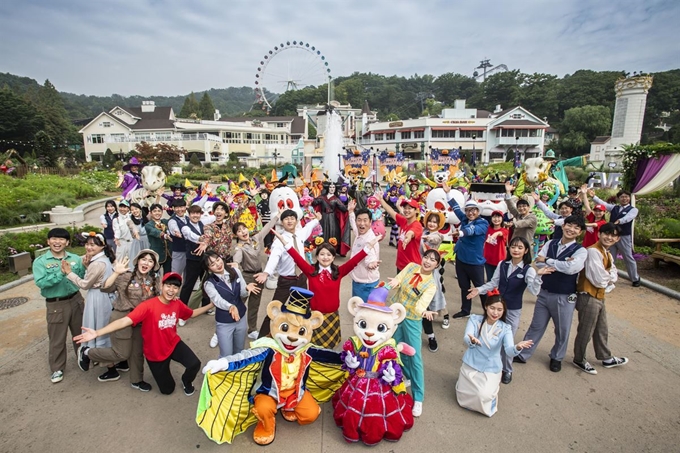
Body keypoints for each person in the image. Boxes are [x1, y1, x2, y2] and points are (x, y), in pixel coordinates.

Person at [75, 272, 214, 396]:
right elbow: (124, 321)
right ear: (161, 286)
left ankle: (186, 381)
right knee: (167, 390)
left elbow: (191, 313)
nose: (171, 290)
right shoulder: (148, 306)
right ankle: (87, 352)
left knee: (194, 364)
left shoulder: (177, 304)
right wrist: (97, 332)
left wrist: (211, 305)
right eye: (168, 286)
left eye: (175, 287)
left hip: (173, 343)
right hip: (155, 353)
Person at [271, 228, 379, 349]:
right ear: (317, 256)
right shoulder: (311, 271)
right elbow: (297, 257)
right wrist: (284, 242)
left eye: (329, 255)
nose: (325, 257)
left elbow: (354, 261)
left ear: (333, 257)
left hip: (332, 316)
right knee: (313, 347)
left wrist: (369, 246)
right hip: (314, 316)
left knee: (330, 348)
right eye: (322, 254)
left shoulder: (338, 272)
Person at [468, 237, 552, 384]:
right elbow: (494, 282)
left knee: (507, 342)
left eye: (520, 247)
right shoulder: (502, 264)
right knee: (489, 337)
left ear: (526, 250)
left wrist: (538, 277)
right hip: (497, 307)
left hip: (513, 310)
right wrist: (479, 290)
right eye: (513, 246)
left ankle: (507, 370)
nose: (516, 250)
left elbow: (533, 290)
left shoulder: (528, 269)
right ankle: (486, 364)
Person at [77, 250, 161, 392]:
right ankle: (87, 352)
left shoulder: (154, 280)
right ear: (138, 261)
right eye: (143, 259)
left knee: (137, 353)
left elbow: (158, 299)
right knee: (122, 354)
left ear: (154, 266)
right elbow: (105, 288)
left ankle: (137, 380)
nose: (146, 263)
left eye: (150, 261)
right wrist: (116, 273)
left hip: (140, 321)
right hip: (121, 318)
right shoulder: (125, 276)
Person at [515, 215, 587, 372]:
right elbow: (537, 261)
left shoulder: (581, 251)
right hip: (545, 292)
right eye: (569, 225)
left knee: (562, 329)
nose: (571, 229)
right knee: (536, 325)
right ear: (563, 226)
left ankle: (557, 357)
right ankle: (524, 353)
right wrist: (559, 263)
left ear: (580, 232)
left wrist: (548, 260)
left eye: (576, 227)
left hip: (564, 295)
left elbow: (572, 269)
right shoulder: (550, 243)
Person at [455, 294, 534, 417]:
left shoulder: (505, 328)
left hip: (490, 368)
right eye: (492, 308)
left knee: (482, 395)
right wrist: (472, 340)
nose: (495, 313)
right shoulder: (475, 319)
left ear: (504, 311)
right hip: (471, 362)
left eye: (499, 309)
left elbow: (509, 351)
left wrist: (517, 347)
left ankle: (492, 391)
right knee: (463, 393)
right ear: (486, 306)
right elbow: (467, 337)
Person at [387, 249, 441, 417]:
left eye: (432, 260)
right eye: (426, 257)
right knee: (395, 349)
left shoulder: (431, 285)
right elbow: (398, 279)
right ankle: (407, 376)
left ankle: (418, 398)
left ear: (437, 265)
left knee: (415, 357)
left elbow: (420, 306)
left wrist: (424, 312)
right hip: (396, 314)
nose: (427, 261)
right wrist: (390, 285)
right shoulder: (411, 266)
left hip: (412, 320)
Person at [572, 223, 629, 374]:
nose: (609, 237)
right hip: (588, 295)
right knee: (586, 330)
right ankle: (579, 359)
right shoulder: (593, 251)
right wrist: (609, 277)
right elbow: (597, 278)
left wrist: (609, 276)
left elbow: (613, 273)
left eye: (613, 235)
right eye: (606, 234)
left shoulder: (606, 253)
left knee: (601, 328)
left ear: (617, 239)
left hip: (599, 295)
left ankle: (605, 357)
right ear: (599, 234)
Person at [254, 209, 320, 338]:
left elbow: (309, 226)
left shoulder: (300, 234)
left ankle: (302, 336)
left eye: (292, 218)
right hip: (286, 281)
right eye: (286, 219)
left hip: (301, 278)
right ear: (282, 223)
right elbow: (274, 257)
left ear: (296, 221)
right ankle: (262, 339)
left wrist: (317, 219)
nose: (289, 220)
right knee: (275, 309)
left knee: (302, 309)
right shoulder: (279, 240)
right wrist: (266, 273)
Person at [32, 228, 86, 384]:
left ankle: (83, 359)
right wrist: (61, 273)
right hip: (56, 304)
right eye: (54, 239)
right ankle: (57, 368)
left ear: (67, 242)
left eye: (62, 239)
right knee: (57, 338)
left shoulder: (75, 258)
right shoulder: (41, 262)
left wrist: (86, 266)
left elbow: (81, 277)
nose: (57, 242)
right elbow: (41, 283)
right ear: (48, 241)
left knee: (80, 333)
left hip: (76, 300)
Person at [64, 233, 118, 382]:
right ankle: (120, 362)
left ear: (102, 246)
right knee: (108, 327)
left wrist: (69, 273)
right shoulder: (104, 259)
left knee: (98, 328)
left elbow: (85, 284)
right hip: (106, 297)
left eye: (93, 244)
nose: (89, 247)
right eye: (87, 244)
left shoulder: (97, 263)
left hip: (97, 298)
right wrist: (88, 266)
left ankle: (110, 367)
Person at [442, 183, 489, 319]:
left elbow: (472, 231)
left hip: (475, 262)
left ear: (478, 211)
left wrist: (461, 232)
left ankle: (488, 312)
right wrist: (448, 194)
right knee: (464, 286)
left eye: (473, 210)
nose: (470, 212)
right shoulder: (464, 218)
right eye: (468, 210)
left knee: (480, 288)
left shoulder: (482, 223)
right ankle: (465, 309)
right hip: (461, 259)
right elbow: (456, 208)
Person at [202, 252, 261, 358]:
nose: (218, 264)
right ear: (208, 269)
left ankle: (237, 373)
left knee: (239, 351)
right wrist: (230, 306)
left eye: (218, 259)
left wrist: (247, 289)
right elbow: (217, 300)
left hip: (241, 318)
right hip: (224, 322)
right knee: (226, 355)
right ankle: (225, 374)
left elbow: (242, 293)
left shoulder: (236, 271)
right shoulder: (209, 283)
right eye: (212, 264)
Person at [232, 212, 279, 340]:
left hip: (259, 276)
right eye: (239, 231)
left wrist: (276, 216)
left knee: (254, 304)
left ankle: (252, 329)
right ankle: (230, 326)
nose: (243, 232)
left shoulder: (256, 239)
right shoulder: (239, 248)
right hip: (246, 278)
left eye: (243, 229)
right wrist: (235, 264)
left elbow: (266, 227)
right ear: (236, 235)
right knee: (239, 303)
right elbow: (237, 258)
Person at [591, 189, 640, 286]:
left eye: (626, 197)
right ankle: (607, 277)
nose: (624, 199)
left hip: (624, 236)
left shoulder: (633, 209)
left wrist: (619, 221)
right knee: (610, 256)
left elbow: (629, 218)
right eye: (622, 197)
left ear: (629, 198)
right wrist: (593, 197)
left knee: (628, 256)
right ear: (618, 198)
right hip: (611, 236)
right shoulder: (614, 208)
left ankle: (635, 278)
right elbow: (602, 204)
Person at [420, 210, 448, 352]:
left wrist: (426, 237)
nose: (432, 223)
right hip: (418, 272)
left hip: (431, 274)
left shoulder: (437, 235)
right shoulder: (421, 230)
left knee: (428, 307)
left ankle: (431, 336)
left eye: (435, 222)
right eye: (430, 220)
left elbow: (434, 239)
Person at [375, 190, 423, 272]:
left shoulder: (417, 225)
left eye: (410, 208)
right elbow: (391, 211)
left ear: (416, 211)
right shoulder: (404, 221)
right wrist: (381, 200)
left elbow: (411, 232)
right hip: (400, 265)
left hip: (412, 267)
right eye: (405, 208)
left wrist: (407, 238)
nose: (406, 210)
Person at [178, 204, 211, 319]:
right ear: (189, 214)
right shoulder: (185, 227)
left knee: (206, 283)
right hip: (193, 260)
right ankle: (182, 311)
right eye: (193, 213)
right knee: (188, 284)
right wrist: (203, 238)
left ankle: (206, 306)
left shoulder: (203, 223)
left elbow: (215, 217)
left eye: (198, 213)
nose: (195, 215)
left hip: (205, 259)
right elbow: (191, 236)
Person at [347, 202, 381, 303]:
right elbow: (354, 225)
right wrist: (351, 212)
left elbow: (370, 256)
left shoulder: (370, 240)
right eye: (359, 220)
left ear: (371, 222)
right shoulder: (361, 232)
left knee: (363, 311)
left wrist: (371, 264)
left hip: (365, 282)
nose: (362, 223)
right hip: (358, 278)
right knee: (357, 306)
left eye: (365, 220)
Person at [312, 181, 349, 256]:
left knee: (333, 233)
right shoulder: (322, 197)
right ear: (327, 188)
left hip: (332, 219)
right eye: (330, 187)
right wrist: (310, 197)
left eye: (333, 187)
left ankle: (331, 251)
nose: (332, 189)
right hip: (323, 218)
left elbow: (343, 208)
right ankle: (321, 250)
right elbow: (314, 203)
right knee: (322, 233)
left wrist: (349, 207)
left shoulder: (336, 199)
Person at [504, 182, 538, 257]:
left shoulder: (532, 218)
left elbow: (524, 223)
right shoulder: (518, 215)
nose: (521, 208)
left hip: (524, 247)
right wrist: (508, 192)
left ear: (529, 207)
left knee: (523, 266)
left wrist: (513, 224)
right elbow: (511, 207)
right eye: (519, 206)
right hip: (514, 245)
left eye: (524, 206)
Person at [145, 203, 172, 274]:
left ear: (162, 212)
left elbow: (174, 218)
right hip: (156, 254)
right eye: (155, 211)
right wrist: (164, 235)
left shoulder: (165, 222)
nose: (157, 213)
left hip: (168, 254)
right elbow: (154, 232)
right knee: (152, 275)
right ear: (150, 213)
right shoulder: (148, 225)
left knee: (167, 275)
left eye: (159, 211)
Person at [483, 210, 510, 281]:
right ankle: (489, 291)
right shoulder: (488, 228)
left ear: (502, 219)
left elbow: (501, 233)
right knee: (489, 279)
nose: (496, 219)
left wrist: (496, 234)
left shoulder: (505, 230)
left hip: (499, 260)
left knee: (498, 280)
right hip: (488, 259)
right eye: (494, 217)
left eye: (498, 217)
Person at [167, 198, 188, 277]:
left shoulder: (188, 219)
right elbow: (173, 228)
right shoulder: (172, 220)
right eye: (177, 207)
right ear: (173, 209)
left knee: (189, 276)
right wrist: (176, 232)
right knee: (176, 275)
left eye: (182, 207)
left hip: (189, 252)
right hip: (179, 252)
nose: (180, 209)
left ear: (185, 207)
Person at [127, 202, 150, 270]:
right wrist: (136, 233)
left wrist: (158, 197)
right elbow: (133, 227)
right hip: (137, 242)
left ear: (140, 209)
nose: (134, 211)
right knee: (137, 259)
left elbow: (153, 210)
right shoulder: (130, 221)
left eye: (136, 209)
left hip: (147, 241)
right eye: (132, 210)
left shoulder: (146, 218)